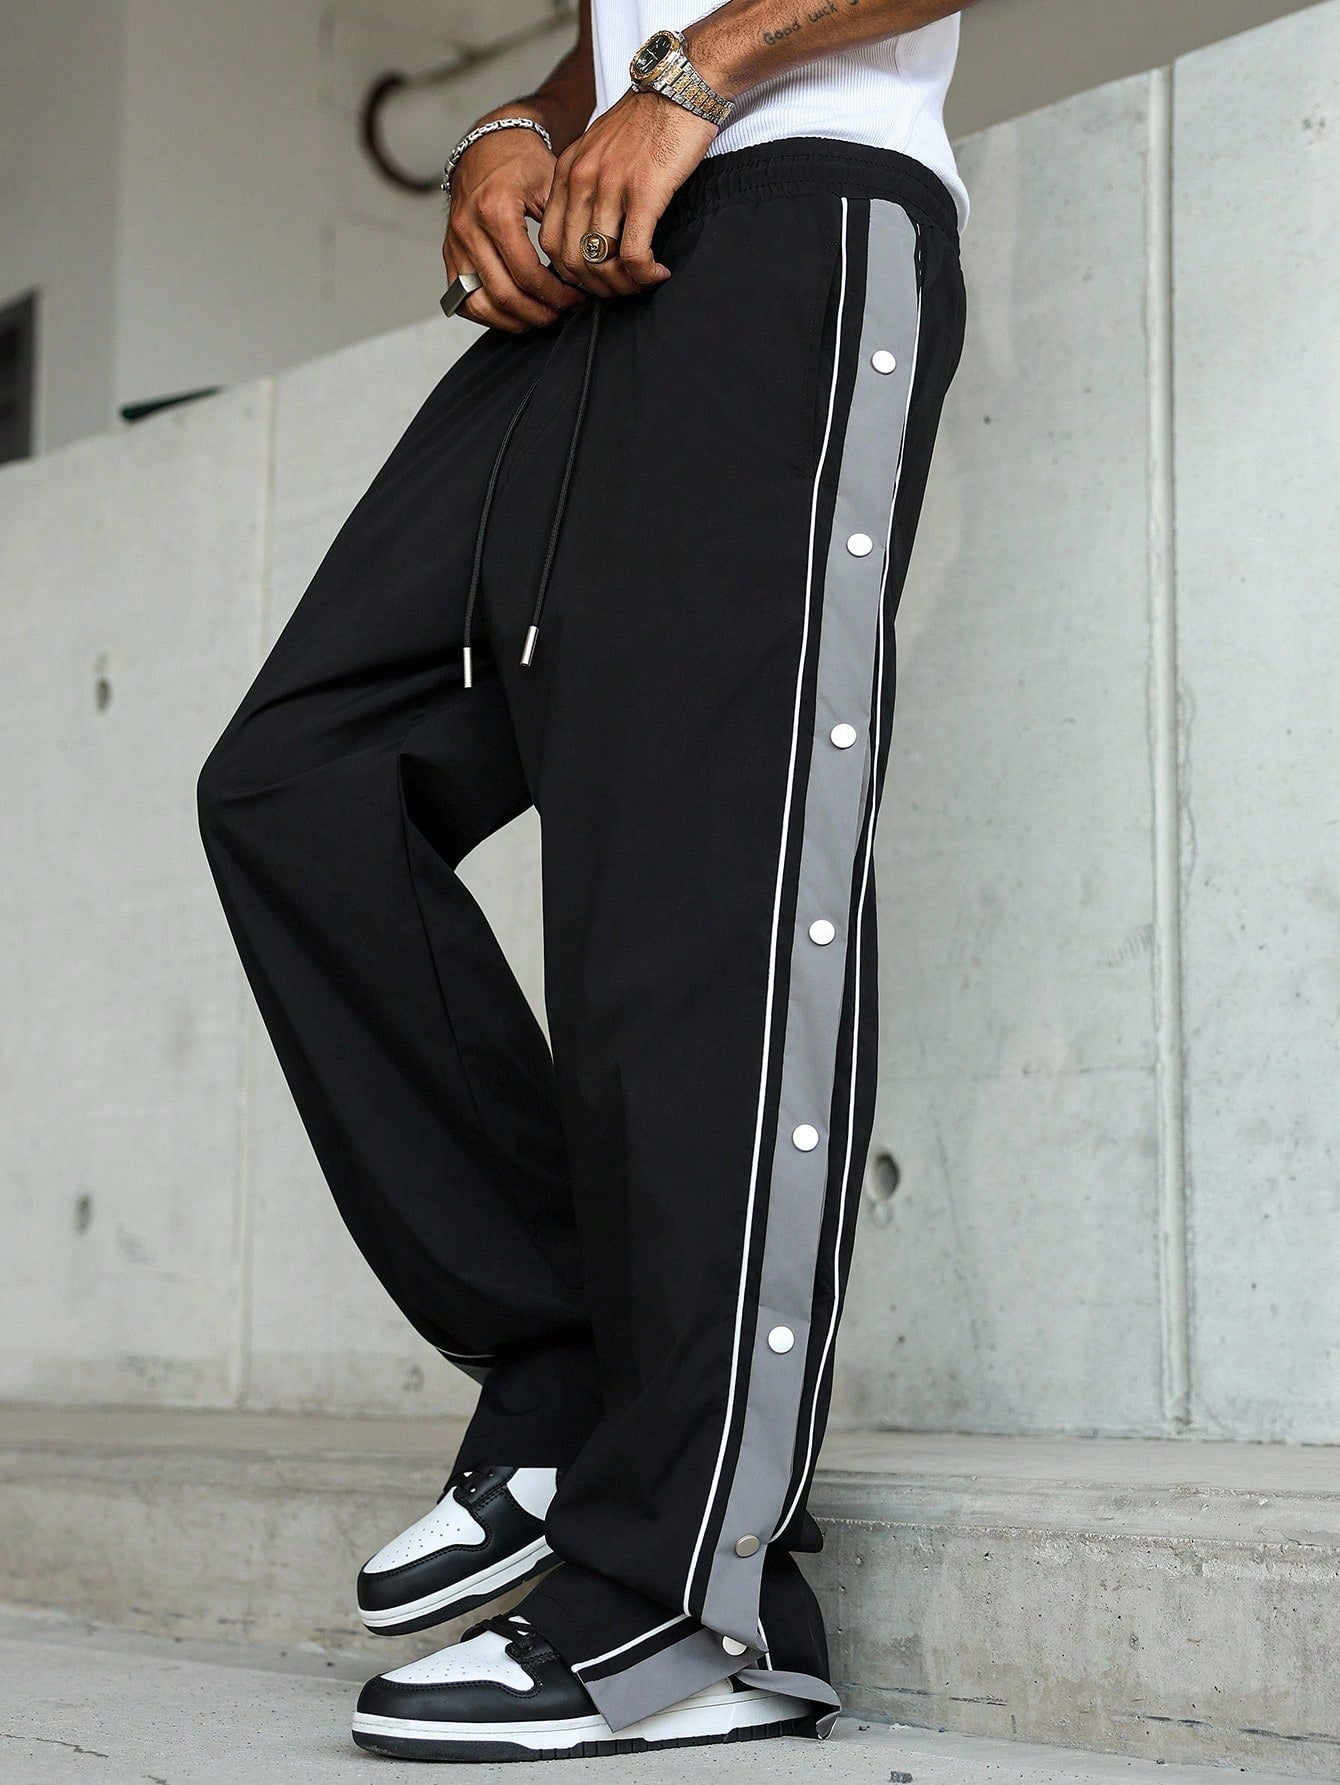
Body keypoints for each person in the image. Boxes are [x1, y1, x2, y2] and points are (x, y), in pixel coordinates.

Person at [197, 0, 970, 1763]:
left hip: (799, 213)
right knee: (302, 782)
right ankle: (564, 1378)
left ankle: (693, 1601)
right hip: (610, 248)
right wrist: (518, 129)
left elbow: (691, 38)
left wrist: (700, 76)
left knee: (691, 893)